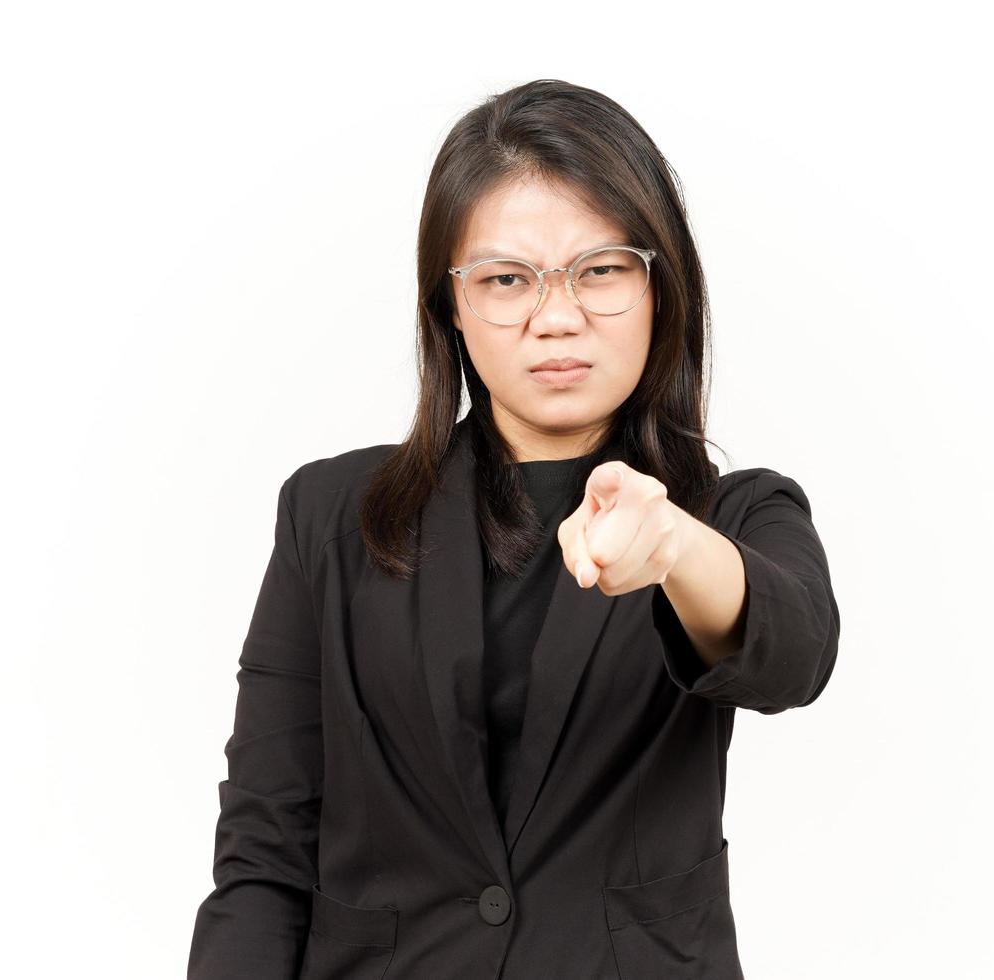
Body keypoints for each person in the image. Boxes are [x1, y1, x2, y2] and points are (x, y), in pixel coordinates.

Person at [187, 78, 841, 980]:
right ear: (450, 306)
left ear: (661, 287)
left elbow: (792, 654)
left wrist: (676, 548)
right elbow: (265, 847)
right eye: (505, 280)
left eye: (601, 270)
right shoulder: (330, 517)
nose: (557, 316)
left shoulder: (732, 518)